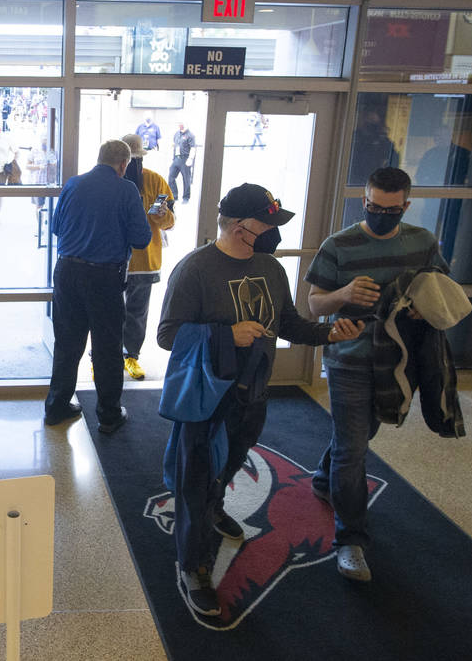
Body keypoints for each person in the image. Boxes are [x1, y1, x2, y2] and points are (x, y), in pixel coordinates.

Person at [156, 183, 361, 618]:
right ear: (238, 225)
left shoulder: (269, 268)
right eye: (265, 224)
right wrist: (225, 334)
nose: (272, 232)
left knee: (224, 470)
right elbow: (167, 335)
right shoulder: (195, 269)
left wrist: (329, 333)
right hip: (208, 399)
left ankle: (213, 508)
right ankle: (193, 566)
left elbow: (287, 323)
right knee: (194, 482)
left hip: (253, 395)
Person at [306, 166, 449, 583]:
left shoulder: (422, 243)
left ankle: (322, 478)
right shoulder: (340, 245)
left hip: (398, 361)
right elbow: (314, 306)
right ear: (364, 201)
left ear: (405, 206)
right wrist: (343, 295)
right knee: (354, 449)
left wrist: (423, 307)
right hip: (348, 359)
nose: (379, 214)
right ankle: (351, 540)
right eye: (372, 206)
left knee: (363, 432)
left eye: (390, 209)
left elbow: (440, 289)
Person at [43, 139, 151, 434]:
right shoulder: (127, 189)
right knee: (106, 348)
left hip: (66, 272)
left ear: (99, 158)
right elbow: (142, 239)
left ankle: (56, 407)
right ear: (124, 165)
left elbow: (55, 228)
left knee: (67, 343)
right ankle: (108, 416)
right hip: (104, 278)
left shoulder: (73, 184)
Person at [120, 134, 175, 381]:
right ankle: (101, 357)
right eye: (128, 159)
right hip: (111, 260)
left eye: (136, 159)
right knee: (107, 312)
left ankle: (131, 355)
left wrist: (162, 214)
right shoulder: (111, 182)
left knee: (137, 312)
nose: (132, 164)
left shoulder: (156, 182)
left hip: (144, 260)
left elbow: (168, 223)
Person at [168, 122, 197, 203]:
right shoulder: (177, 134)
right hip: (176, 158)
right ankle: (174, 196)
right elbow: (174, 144)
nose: (180, 125)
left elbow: (193, 148)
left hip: (185, 159)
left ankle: (186, 197)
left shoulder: (190, 135)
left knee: (186, 179)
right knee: (171, 177)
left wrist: (190, 158)